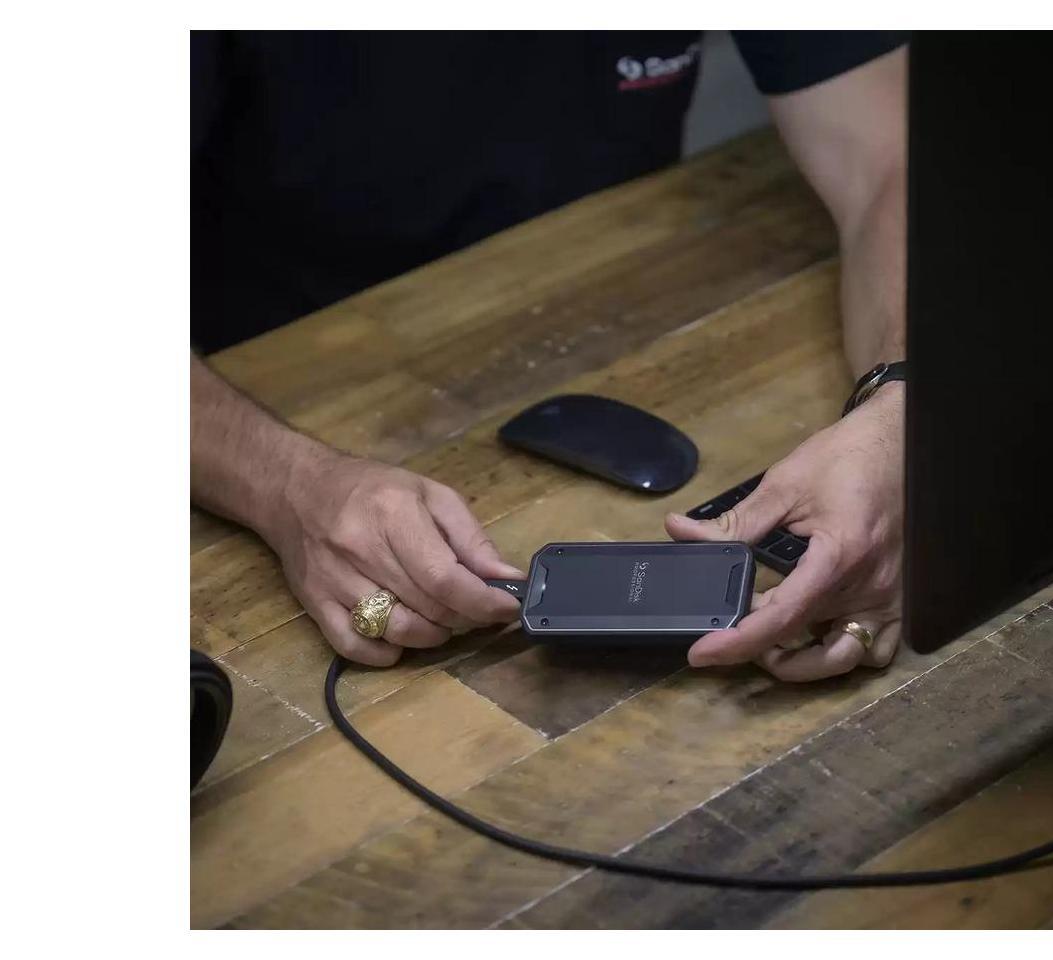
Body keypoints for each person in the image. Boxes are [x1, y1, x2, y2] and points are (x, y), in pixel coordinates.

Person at [191, 30, 908, 681]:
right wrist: (288, 486)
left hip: (623, 298)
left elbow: (891, 154)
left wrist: (903, 410)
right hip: (269, 379)